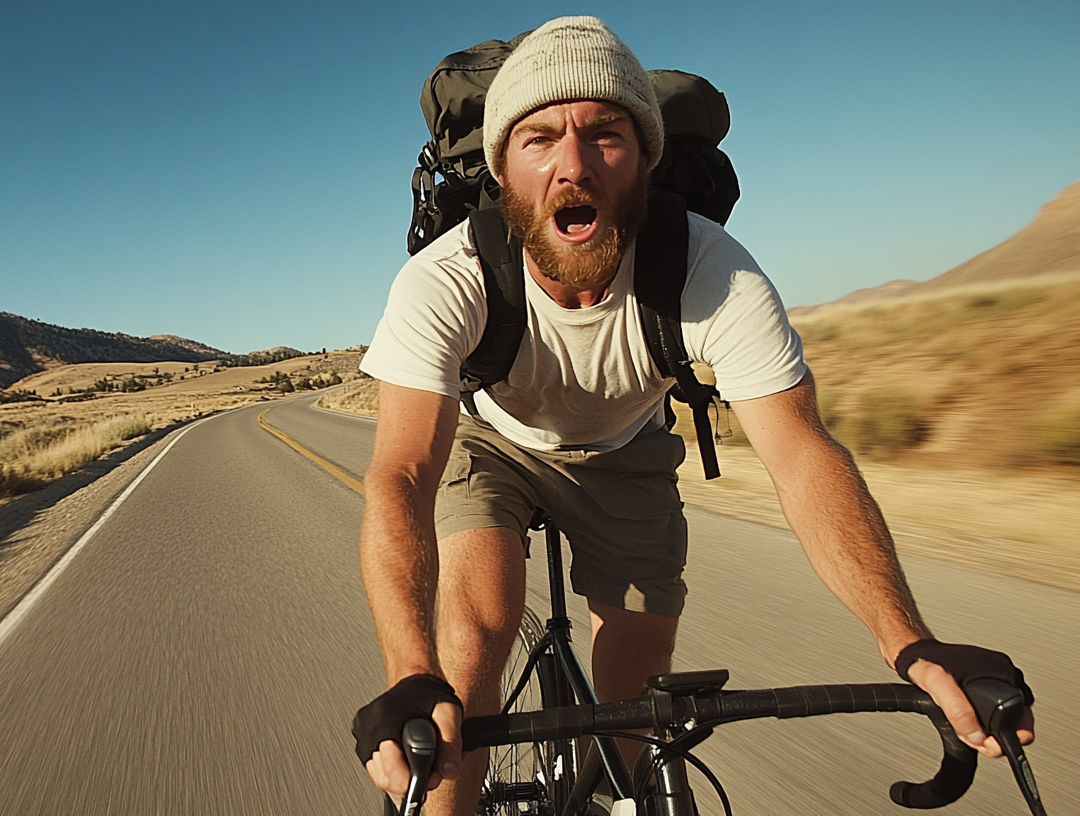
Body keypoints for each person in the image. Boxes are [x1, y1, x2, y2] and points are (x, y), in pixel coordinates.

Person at [352, 16, 1034, 816]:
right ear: (502, 169)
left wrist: (909, 640)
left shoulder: (709, 268)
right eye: (539, 139)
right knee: (467, 657)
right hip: (495, 443)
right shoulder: (449, 278)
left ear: (646, 157)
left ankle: (610, 785)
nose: (573, 166)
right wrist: (408, 671)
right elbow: (401, 471)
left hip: (626, 453)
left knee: (642, 716)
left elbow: (802, 455)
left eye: (605, 134)